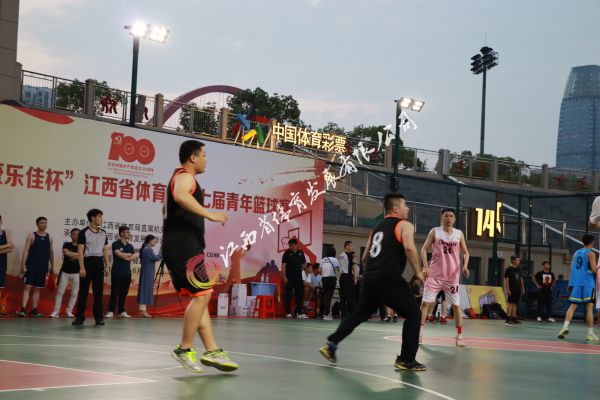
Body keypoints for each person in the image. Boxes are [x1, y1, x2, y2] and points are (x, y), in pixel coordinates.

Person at [320, 193, 426, 371]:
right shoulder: (404, 225)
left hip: (370, 278)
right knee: (414, 314)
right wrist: (418, 272)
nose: (407, 209)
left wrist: (374, 271)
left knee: (359, 314)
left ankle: (331, 345)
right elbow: (409, 248)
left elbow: (364, 258)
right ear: (395, 209)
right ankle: (406, 359)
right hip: (388, 278)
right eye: (405, 205)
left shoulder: (376, 229)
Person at [163, 140, 238, 373]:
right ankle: (184, 348)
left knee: (201, 298)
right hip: (182, 248)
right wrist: (211, 215)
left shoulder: (180, 177)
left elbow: (170, 207)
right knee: (203, 295)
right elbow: (180, 196)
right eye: (204, 154)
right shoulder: (185, 176)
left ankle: (212, 350)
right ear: (193, 157)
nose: (206, 159)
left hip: (186, 248)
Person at [420, 208, 470, 346]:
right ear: (442, 218)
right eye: (446, 216)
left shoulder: (459, 234)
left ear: (454, 219)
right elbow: (423, 249)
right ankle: (419, 333)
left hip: (452, 277)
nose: (449, 218)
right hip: (434, 276)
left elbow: (466, 253)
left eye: (451, 216)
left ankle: (459, 337)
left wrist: (465, 266)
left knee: (456, 306)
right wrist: (425, 267)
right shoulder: (435, 231)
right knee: (425, 304)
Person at [72, 209, 110, 326]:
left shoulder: (103, 233)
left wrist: (107, 265)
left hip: (99, 262)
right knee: (83, 291)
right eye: (99, 216)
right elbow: (80, 250)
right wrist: (82, 267)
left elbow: (105, 250)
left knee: (98, 292)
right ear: (93, 218)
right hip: (87, 262)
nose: (101, 219)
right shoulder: (84, 232)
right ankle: (79, 317)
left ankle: (98, 318)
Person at [558, 234, 598, 341]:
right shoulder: (591, 253)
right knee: (589, 308)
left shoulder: (576, 253)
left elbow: (571, 268)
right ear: (592, 242)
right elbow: (594, 270)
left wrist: (570, 283)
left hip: (577, 283)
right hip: (588, 283)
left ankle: (564, 327)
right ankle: (590, 333)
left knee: (572, 306)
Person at [19, 217, 54, 317]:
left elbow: (51, 252)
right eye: (41, 223)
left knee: (38, 288)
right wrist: (23, 265)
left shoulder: (50, 237)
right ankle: (23, 309)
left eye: (45, 223)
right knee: (27, 287)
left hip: (42, 267)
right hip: (31, 266)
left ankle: (34, 310)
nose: (44, 224)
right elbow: (26, 250)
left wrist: (52, 266)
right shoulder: (32, 236)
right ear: (37, 224)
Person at [106, 226, 137, 318]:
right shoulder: (115, 244)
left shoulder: (130, 246)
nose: (129, 234)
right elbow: (118, 254)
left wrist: (126, 256)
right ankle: (111, 311)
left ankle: (121, 311)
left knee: (124, 293)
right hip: (117, 272)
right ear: (121, 233)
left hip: (127, 273)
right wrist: (127, 255)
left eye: (129, 232)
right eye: (127, 232)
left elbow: (133, 258)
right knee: (114, 292)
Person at [50, 228, 80, 318]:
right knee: (60, 292)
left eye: (78, 234)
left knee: (74, 293)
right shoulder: (66, 244)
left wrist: (74, 255)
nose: (76, 236)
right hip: (65, 272)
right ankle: (56, 311)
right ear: (71, 235)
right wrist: (78, 255)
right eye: (74, 234)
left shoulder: (82, 246)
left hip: (77, 273)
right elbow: (66, 253)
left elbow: (81, 256)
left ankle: (69, 311)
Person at [282, 238, 308, 319]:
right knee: (288, 295)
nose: (291, 247)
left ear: (296, 245)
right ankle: (288, 312)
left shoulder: (301, 252)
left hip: (298, 276)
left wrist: (303, 267)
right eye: (290, 246)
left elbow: (305, 263)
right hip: (289, 276)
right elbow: (284, 266)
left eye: (292, 246)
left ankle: (299, 312)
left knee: (299, 295)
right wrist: (284, 277)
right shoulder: (286, 253)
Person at [137, 234, 162, 318]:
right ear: (150, 241)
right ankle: (143, 311)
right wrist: (161, 250)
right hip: (147, 272)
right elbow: (156, 258)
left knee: (145, 289)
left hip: (147, 271)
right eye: (154, 240)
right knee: (145, 289)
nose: (155, 242)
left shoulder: (146, 248)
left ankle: (142, 310)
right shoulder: (148, 249)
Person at [504, 255, 525, 326]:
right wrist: (508, 289)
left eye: (519, 260)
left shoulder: (518, 269)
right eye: (517, 260)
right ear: (513, 261)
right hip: (512, 288)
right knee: (510, 303)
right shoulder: (508, 269)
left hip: (518, 288)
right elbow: (506, 280)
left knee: (515, 303)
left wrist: (522, 288)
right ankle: (508, 318)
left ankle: (514, 317)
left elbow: (521, 279)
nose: (519, 261)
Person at [337, 241, 356, 317]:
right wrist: (354, 277)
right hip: (348, 277)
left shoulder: (340, 255)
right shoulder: (350, 255)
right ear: (347, 246)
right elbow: (354, 266)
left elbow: (338, 268)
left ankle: (343, 314)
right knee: (350, 296)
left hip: (342, 277)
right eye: (351, 246)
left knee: (342, 297)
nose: (352, 247)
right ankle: (352, 314)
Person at [319, 247, 339, 320]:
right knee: (329, 296)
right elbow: (338, 269)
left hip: (324, 279)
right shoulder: (335, 259)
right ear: (334, 253)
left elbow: (320, 271)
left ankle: (323, 312)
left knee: (326, 295)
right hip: (331, 278)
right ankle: (327, 314)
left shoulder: (322, 260)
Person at [0, 215, 15, 308]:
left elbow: (10, 249)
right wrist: (6, 246)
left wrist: (7, 247)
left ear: (1, 221)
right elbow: (9, 246)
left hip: (2, 263)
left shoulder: (5, 233)